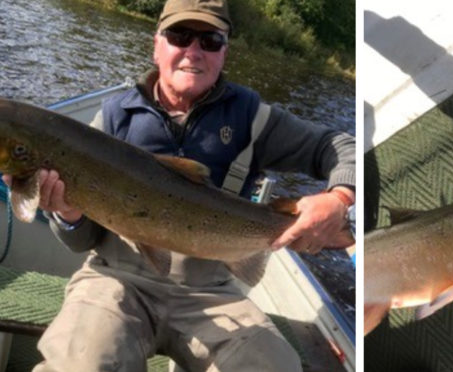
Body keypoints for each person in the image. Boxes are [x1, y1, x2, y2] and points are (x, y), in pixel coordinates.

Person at [2, 0, 355, 370]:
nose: (193, 51)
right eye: (180, 35)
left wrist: (339, 198)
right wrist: (69, 214)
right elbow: (81, 241)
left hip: (212, 293)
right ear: (157, 45)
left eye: (211, 40)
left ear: (224, 53)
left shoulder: (254, 118)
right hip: (117, 280)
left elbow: (342, 148)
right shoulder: (112, 117)